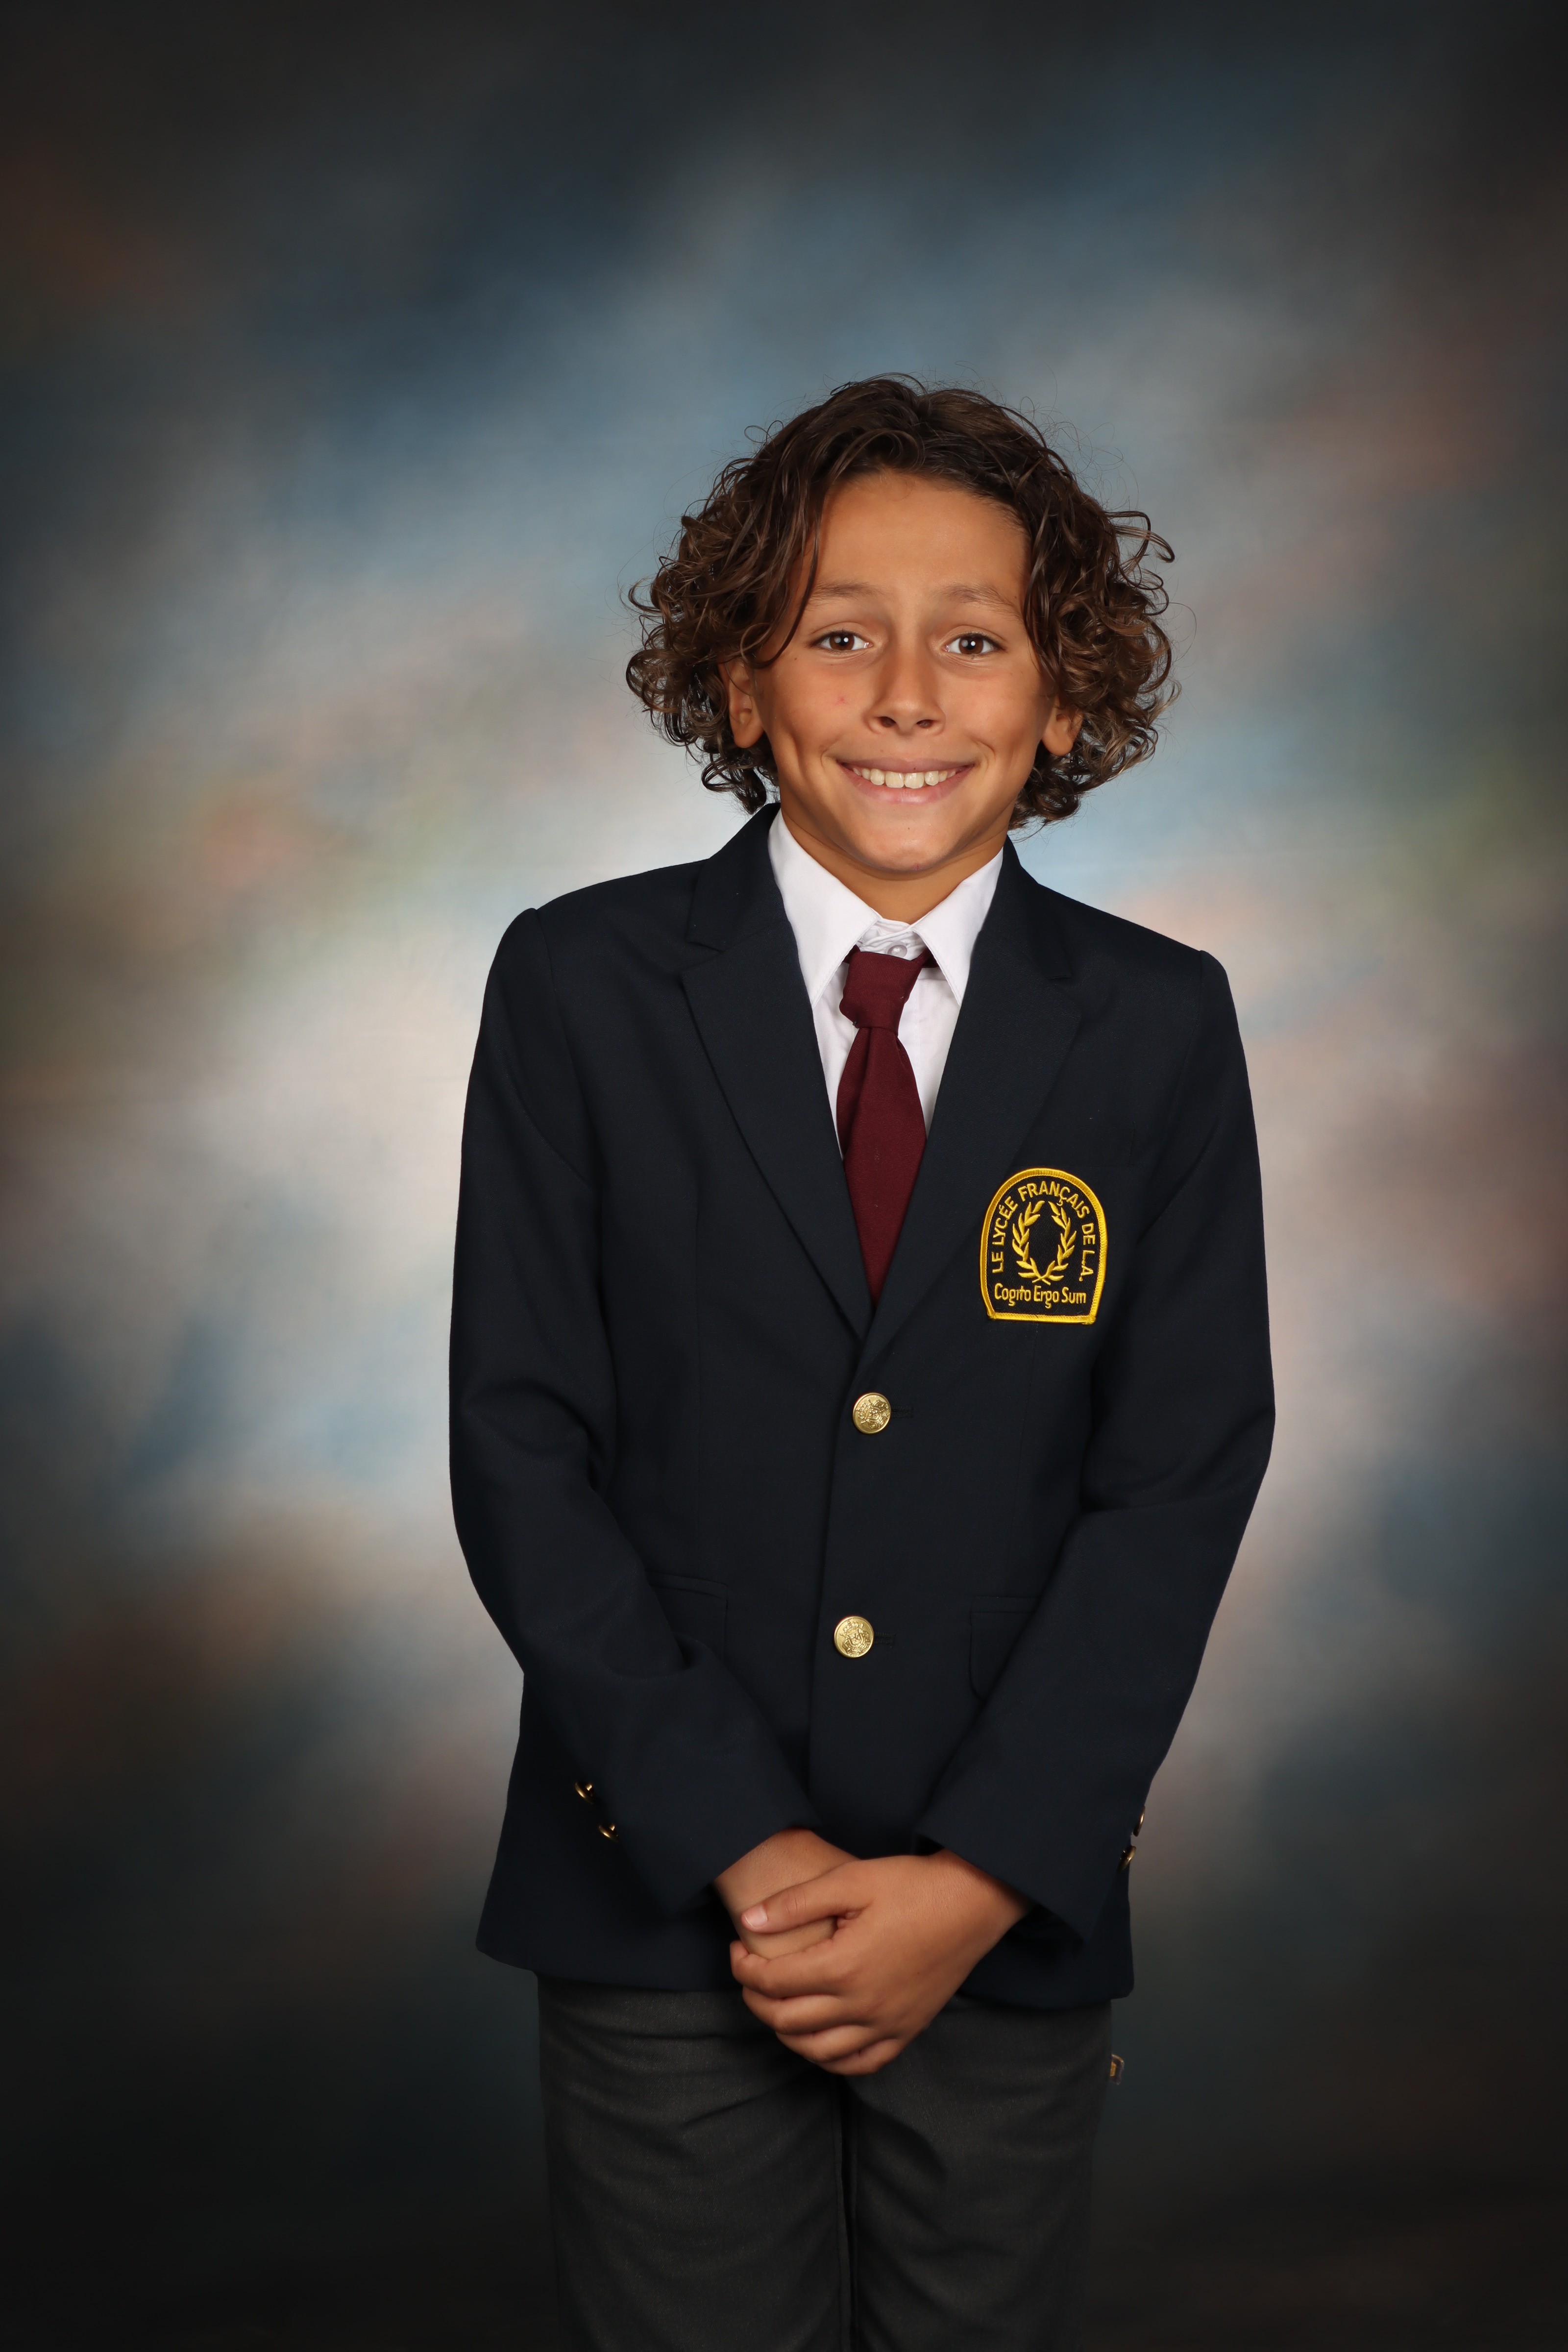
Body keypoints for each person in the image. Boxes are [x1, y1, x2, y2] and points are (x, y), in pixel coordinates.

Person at [449, 376, 1273, 2351]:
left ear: (1061, 700)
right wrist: (738, 1846)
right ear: (743, 688)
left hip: (1002, 1913)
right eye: (838, 636)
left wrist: (982, 1875)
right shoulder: (579, 984)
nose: (907, 695)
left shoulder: (1157, 1025)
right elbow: (521, 1447)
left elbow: (1175, 1481)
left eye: (973, 642)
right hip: (660, 1897)